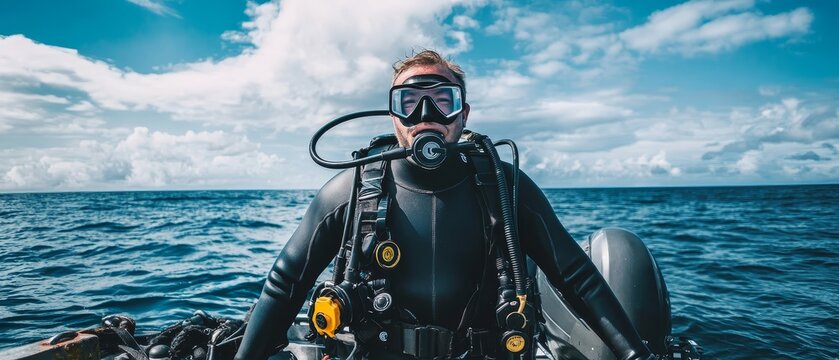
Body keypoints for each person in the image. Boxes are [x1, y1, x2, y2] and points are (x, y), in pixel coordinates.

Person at [234, 50, 655, 360]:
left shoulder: (504, 188)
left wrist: (637, 356)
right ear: (393, 116)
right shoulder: (352, 189)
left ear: (463, 114)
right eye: (409, 101)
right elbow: (284, 285)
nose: (425, 113)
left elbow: (577, 277)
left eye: (442, 100)